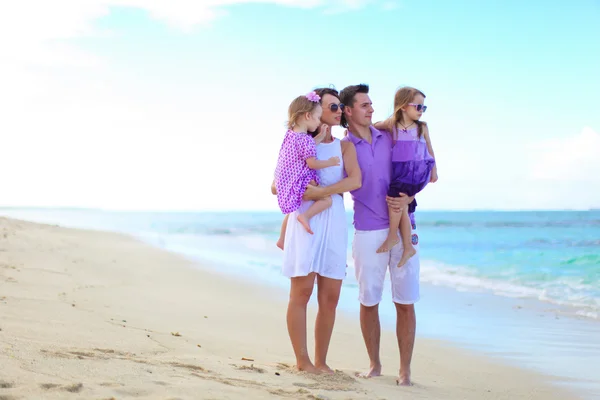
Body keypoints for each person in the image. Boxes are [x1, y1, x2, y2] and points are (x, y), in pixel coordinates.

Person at [271, 87, 361, 374]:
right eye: (332, 107)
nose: (338, 112)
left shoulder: (344, 146)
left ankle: (321, 362)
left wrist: (322, 190)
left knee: (330, 296)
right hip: (305, 220)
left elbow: (355, 181)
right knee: (302, 291)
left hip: (332, 219)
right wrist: (303, 191)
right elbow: (275, 184)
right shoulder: (297, 141)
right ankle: (303, 361)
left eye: (339, 107)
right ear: (315, 110)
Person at [340, 83, 420, 386]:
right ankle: (374, 364)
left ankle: (405, 371)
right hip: (367, 231)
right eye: (364, 105)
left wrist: (410, 199)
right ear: (349, 111)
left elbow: (416, 170)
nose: (371, 108)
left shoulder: (389, 135)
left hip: (405, 226)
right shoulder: (343, 147)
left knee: (406, 301)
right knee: (369, 300)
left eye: (372, 104)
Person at [372, 87, 437, 268]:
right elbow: (372, 127)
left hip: (415, 170)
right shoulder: (392, 124)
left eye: (423, 108)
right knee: (401, 205)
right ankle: (408, 246)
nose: (421, 111)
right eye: (418, 107)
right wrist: (351, 133)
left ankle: (393, 236)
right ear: (403, 106)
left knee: (394, 199)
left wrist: (434, 169)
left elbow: (430, 149)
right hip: (400, 170)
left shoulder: (421, 127)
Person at [274, 91, 340, 240]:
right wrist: (330, 162)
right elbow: (312, 163)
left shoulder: (291, 135)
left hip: (287, 181)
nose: (318, 121)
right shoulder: (305, 140)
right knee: (327, 200)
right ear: (308, 116)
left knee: (293, 210)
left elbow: (305, 150)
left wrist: (319, 137)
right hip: (300, 182)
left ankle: (282, 238)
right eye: (317, 117)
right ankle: (306, 216)